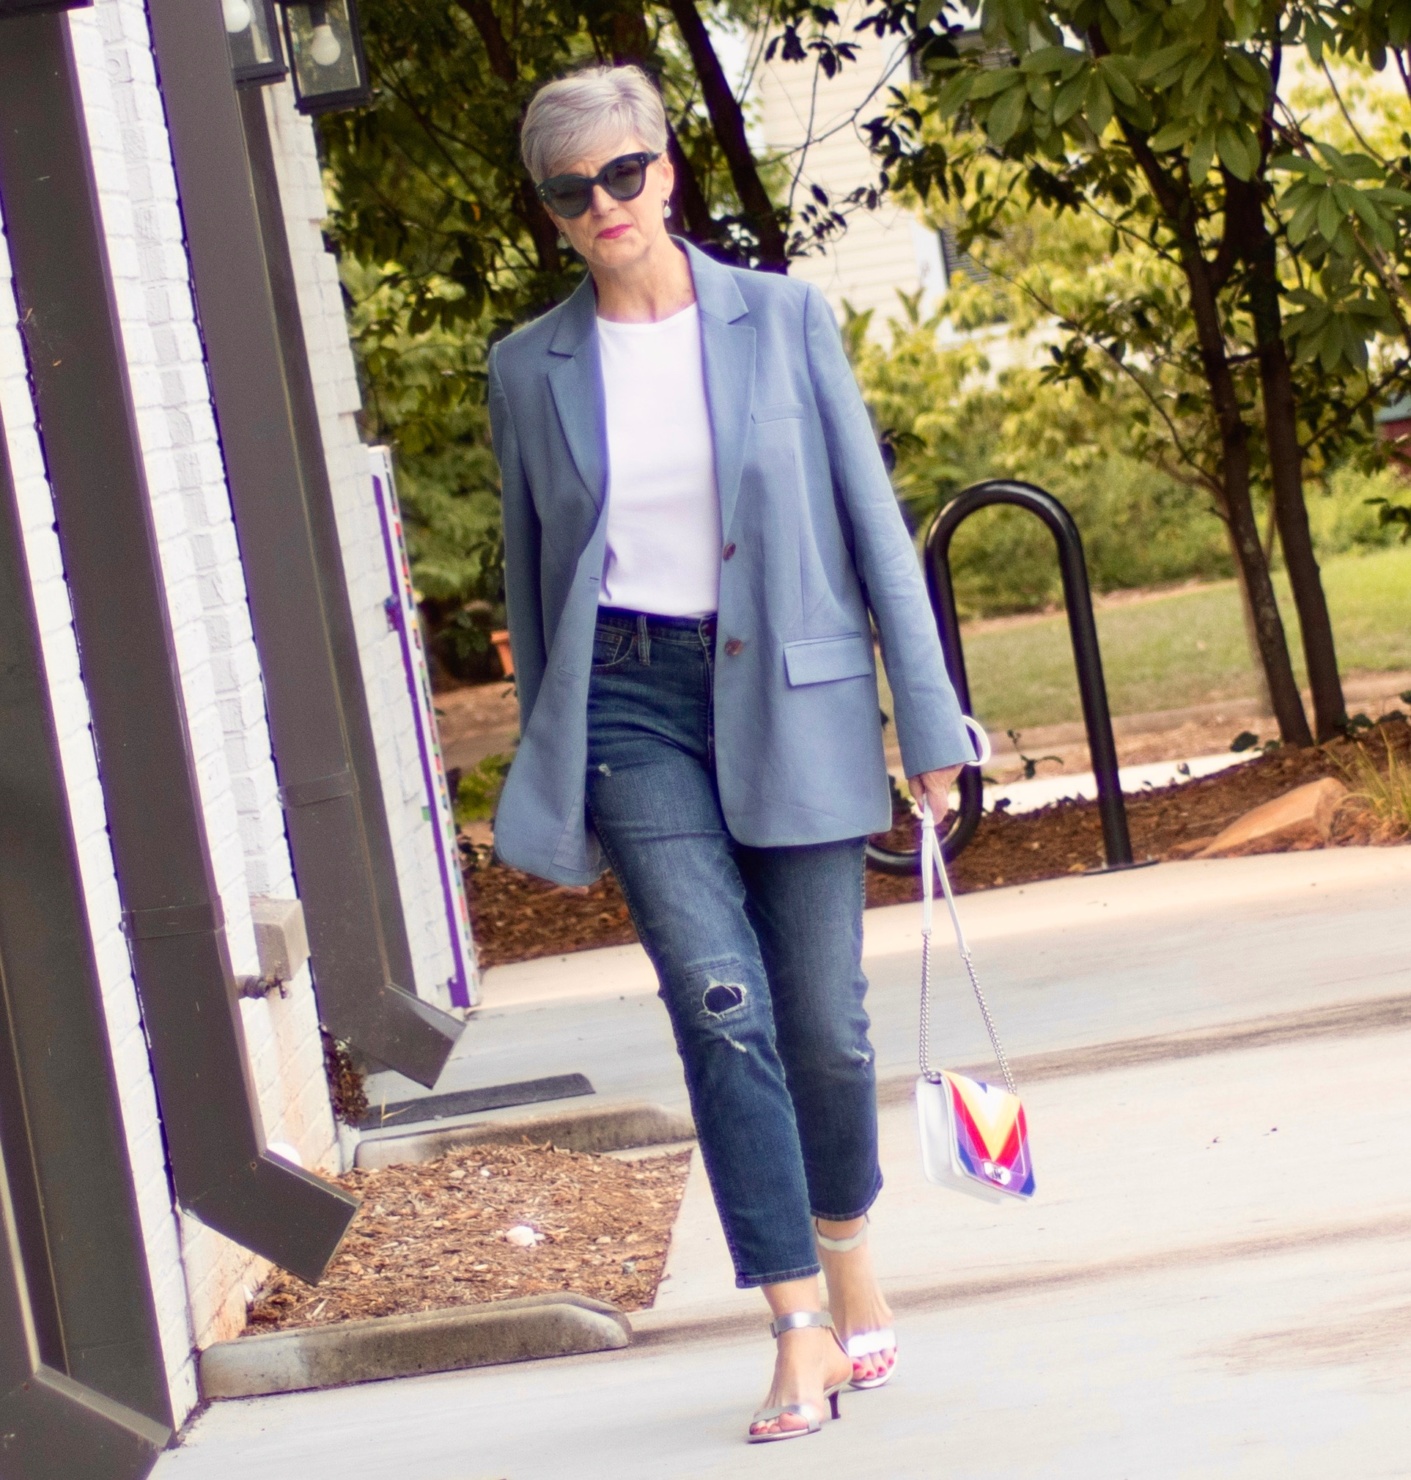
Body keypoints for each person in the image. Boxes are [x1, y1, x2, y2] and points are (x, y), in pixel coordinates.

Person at [486, 64, 974, 1443]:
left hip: (800, 695)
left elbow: (874, 523)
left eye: (624, 174)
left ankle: (854, 1266)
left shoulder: (783, 318)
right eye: (572, 192)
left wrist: (928, 726)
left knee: (821, 1022)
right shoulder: (529, 368)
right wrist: (555, 751)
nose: (605, 207)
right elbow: (534, 579)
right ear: (552, 212)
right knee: (718, 1001)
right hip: (635, 706)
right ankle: (794, 1325)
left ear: (667, 168)